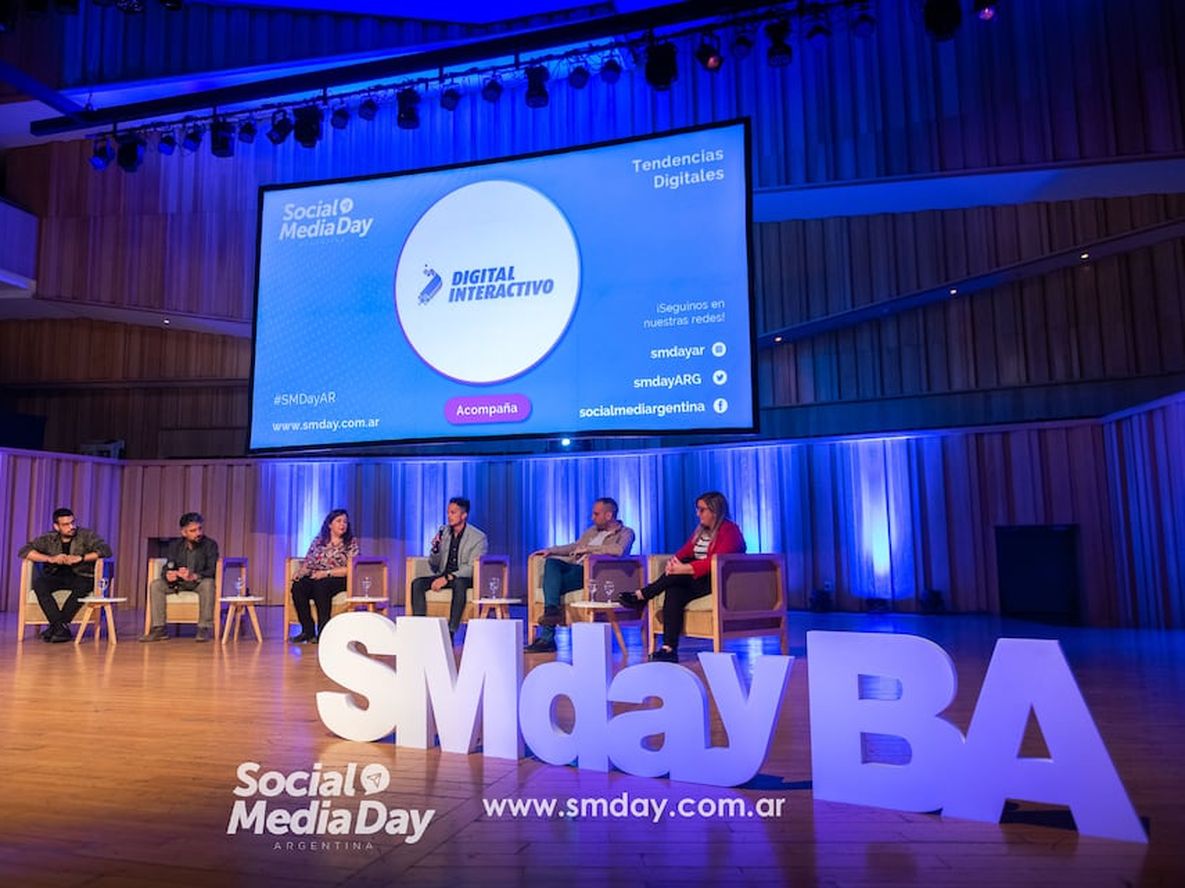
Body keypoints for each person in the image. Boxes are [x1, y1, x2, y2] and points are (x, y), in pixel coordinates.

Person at [617, 491, 745, 662]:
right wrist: (673, 562)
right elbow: (685, 551)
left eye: (702, 510)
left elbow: (715, 561)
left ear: (715, 511)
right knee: (674, 590)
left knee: (677, 577)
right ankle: (669, 649)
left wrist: (685, 568)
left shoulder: (730, 530)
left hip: (716, 579)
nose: (697, 514)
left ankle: (642, 595)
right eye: (697, 509)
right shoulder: (701, 531)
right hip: (696, 578)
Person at [524, 497, 636, 654]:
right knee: (552, 563)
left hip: (593, 575)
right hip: (575, 569)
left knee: (551, 587)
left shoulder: (626, 532)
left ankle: (547, 638)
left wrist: (590, 549)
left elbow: (619, 550)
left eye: (596, 514)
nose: (592, 518)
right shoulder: (591, 531)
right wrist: (552, 550)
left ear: (609, 515)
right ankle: (551, 613)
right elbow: (575, 546)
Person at [19, 507, 113, 643]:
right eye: (66, 525)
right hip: (56, 575)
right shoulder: (48, 538)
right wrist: (49, 559)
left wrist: (81, 558)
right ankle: (60, 627)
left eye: (72, 522)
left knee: (83, 585)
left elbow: (105, 550)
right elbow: (24, 551)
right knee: (40, 583)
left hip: (81, 575)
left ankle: (57, 627)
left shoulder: (86, 535)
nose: (71, 527)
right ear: (56, 527)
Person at [410, 496, 488, 639]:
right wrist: (435, 549)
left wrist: (448, 577)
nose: (449, 516)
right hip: (444, 574)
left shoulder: (478, 537)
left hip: (464, 578)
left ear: (464, 515)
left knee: (459, 584)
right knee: (417, 583)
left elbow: (473, 567)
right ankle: (419, 629)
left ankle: (450, 631)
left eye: (453, 513)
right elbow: (434, 565)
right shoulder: (444, 532)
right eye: (448, 512)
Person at [139, 512, 220, 643]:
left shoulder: (210, 545)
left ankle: (203, 628)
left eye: (199, 529)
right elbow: (169, 565)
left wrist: (194, 575)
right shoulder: (175, 546)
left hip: (199, 582)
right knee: (156, 585)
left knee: (208, 584)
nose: (198, 533)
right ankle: (159, 629)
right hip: (179, 583)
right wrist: (169, 574)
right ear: (184, 533)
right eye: (193, 531)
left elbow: (212, 570)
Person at [289, 509, 359, 644]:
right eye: (338, 521)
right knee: (298, 587)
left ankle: (323, 632)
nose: (342, 524)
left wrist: (326, 573)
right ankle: (307, 631)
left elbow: (351, 568)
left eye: (345, 522)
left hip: (338, 577)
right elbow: (308, 561)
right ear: (330, 524)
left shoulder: (350, 543)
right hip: (317, 576)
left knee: (321, 586)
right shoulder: (319, 541)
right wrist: (300, 572)